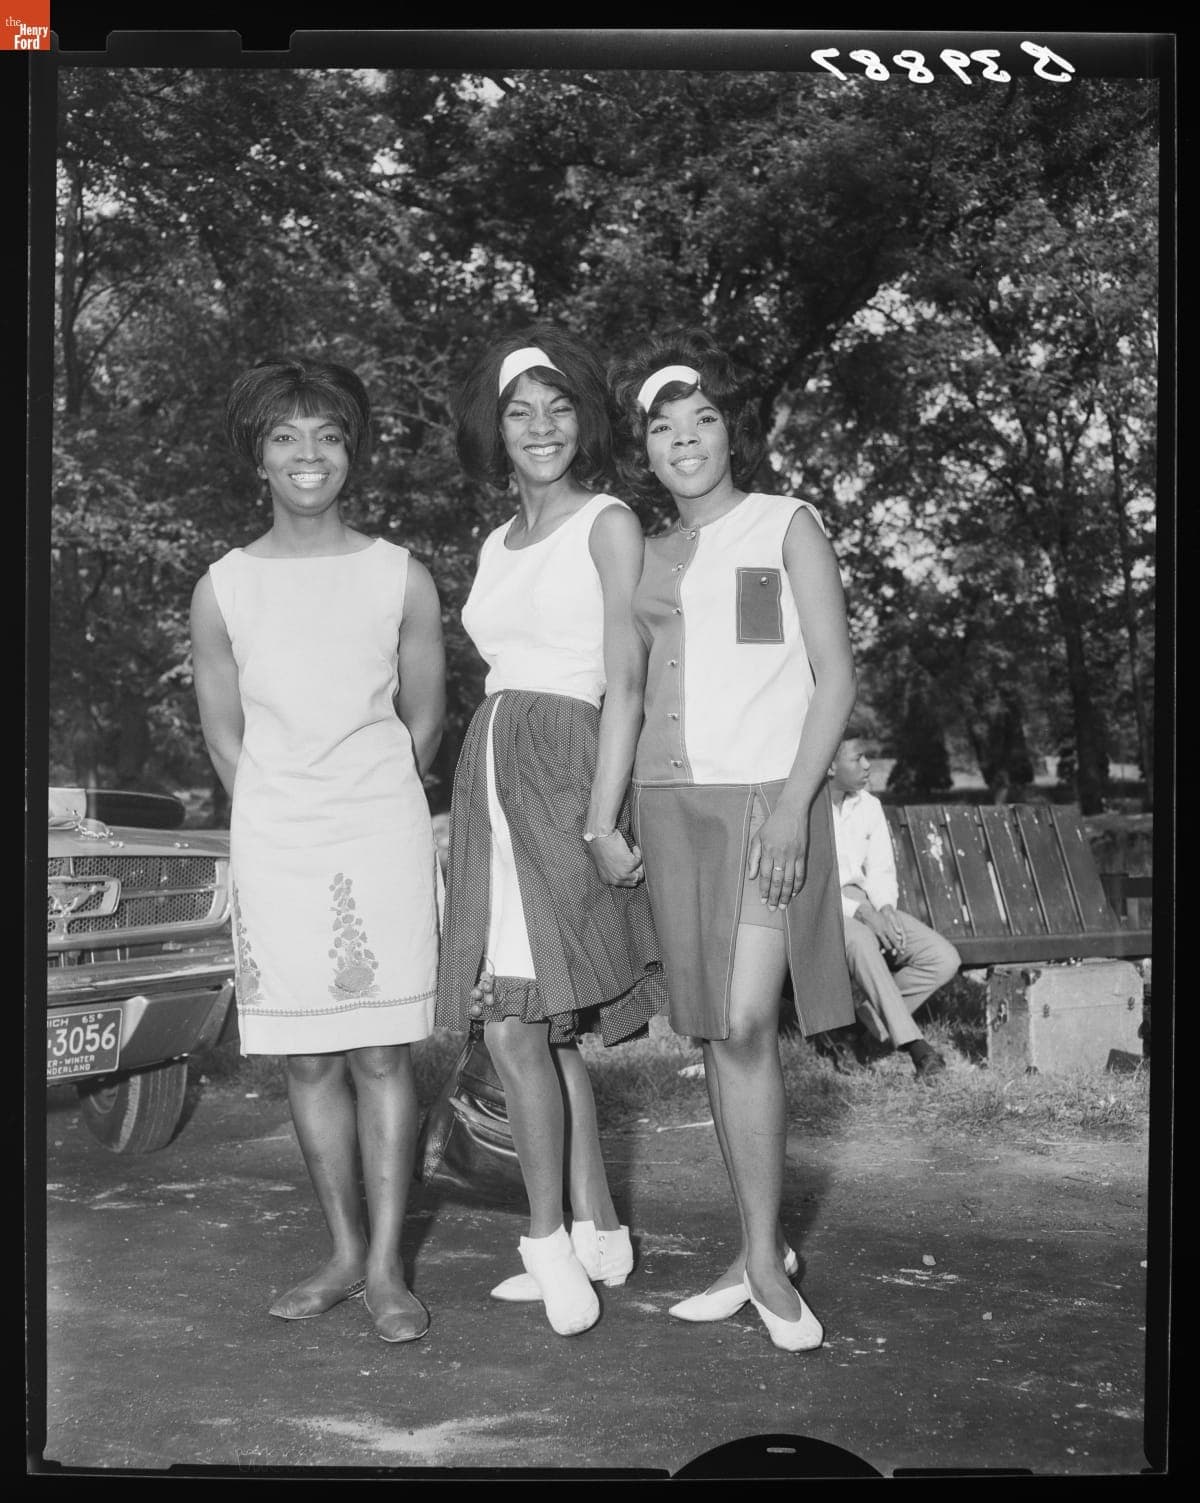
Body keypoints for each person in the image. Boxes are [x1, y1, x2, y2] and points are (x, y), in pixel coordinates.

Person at [610, 329, 857, 1353]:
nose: (684, 440)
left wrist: (794, 806)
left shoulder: (786, 523)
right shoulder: (645, 552)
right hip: (669, 802)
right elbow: (627, 686)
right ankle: (755, 1247)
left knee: (750, 1022)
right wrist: (608, 809)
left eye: (702, 419)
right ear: (647, 451)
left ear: (729, 431)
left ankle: (762, 1262)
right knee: (713, 1030)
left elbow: (834, 679)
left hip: (765, 800)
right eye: (663, 428)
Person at [190, 358, 444, 1344]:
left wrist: (369, 792)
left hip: (378, 829)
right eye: (285, 436)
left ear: (352, 453)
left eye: (328, 435)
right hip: (277, 839)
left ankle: (386, 1269)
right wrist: (280, 804)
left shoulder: (400, 575)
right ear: (256, 456)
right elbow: (224, 737)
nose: (309, 454)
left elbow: (425, 720)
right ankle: (341, 1251)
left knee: (381, 1049)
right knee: (305, 1059)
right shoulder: (223, 588)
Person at [436, 326, 665, 1338]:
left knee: (513, 1023)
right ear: (496, 426)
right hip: (493, 767)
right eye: (520, 410)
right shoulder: (496, 542)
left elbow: (628, 681)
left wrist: (603, 815)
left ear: (585, 421)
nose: (541, 427)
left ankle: (544, 1246)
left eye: (560, 407)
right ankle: (596, 1229)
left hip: (566, 767)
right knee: (546, 1021)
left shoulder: (608, 522)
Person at [826, 730, 961, 1081]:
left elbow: (882, 870)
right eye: (857, 758)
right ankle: (918, 1049)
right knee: (861, 940)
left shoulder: (869, 806)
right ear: (829, 765)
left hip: (867, 905)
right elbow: (812, 885)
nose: (867, 765)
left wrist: (885, 909)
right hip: (822, 910)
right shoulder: (806, 811)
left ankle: (854, 1028)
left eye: (866, 756)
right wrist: (863, 914)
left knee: (942, 958)